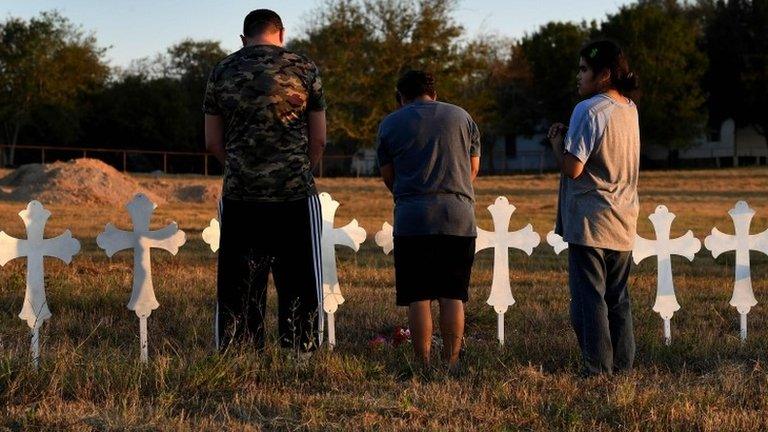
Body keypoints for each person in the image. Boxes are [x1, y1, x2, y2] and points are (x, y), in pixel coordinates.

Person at [203, 9, 327, 352]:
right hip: (294, 193)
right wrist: (299, 168)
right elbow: (318, 139)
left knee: (239, 281)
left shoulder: (222, 71)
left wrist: (242, 167)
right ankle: (299, 348)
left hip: (242, 194)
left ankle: (239, 347)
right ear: (281, 34)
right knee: (301, 279)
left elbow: (212, 141)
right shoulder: (304, 69)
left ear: (243, 38)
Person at [548, 40, 641, 376]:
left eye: (584, 69)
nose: (578, 76)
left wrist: (558, 143)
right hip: (623, 216)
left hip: (591, 219)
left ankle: (596, 368)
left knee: (589, 299)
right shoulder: (628, 108)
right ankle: (623, 365)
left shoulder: (589, 110)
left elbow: (573, 168)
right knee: (618, 298)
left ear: (604, 75)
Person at [376, 70, 481, 370]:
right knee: (452, 295)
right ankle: (452, 361)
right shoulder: (463, 117)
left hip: (413, 219)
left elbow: (389, 177)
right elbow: (472, 170)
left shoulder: (390, 124)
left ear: (401, 97)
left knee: (418, 296)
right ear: (433, 94)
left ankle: (421, 363)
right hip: (458, 217)